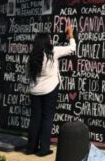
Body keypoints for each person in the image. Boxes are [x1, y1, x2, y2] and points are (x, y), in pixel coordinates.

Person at [26, 24, 76, 156]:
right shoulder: (52, 52)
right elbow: (72, 49)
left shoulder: (32, 56)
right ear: (47, 41)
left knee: (35, 119)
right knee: (47, 119)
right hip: (50, 89)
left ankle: (31, 148)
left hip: (34, 90)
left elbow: (28, 73)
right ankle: (44, 149)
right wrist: (70, 35)